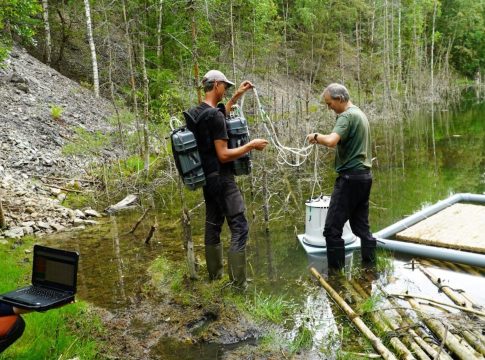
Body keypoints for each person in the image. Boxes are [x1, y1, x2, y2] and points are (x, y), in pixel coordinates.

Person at [186, 70, 268, 287]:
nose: (226, 90)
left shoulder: (197, 113)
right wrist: (251, 145)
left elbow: (217, 116)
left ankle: (214, 277)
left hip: (207, 180)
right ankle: (238, 283)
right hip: (223, 179)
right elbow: (223, 154)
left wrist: (236, 97)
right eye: (226, 86)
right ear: (216, 86)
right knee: (240, 226)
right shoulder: (214, 116)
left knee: (213, 225)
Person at [307, 83, 377, 269]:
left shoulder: (346, 116)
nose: (330, 108)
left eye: (330, 104)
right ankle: (370, 268)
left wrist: (316, 136)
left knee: (331, 230)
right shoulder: (360, 114)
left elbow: (331, 141)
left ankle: (336, 278)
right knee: (361, 228)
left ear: (340, 99)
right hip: (365, 178)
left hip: (350, 180)